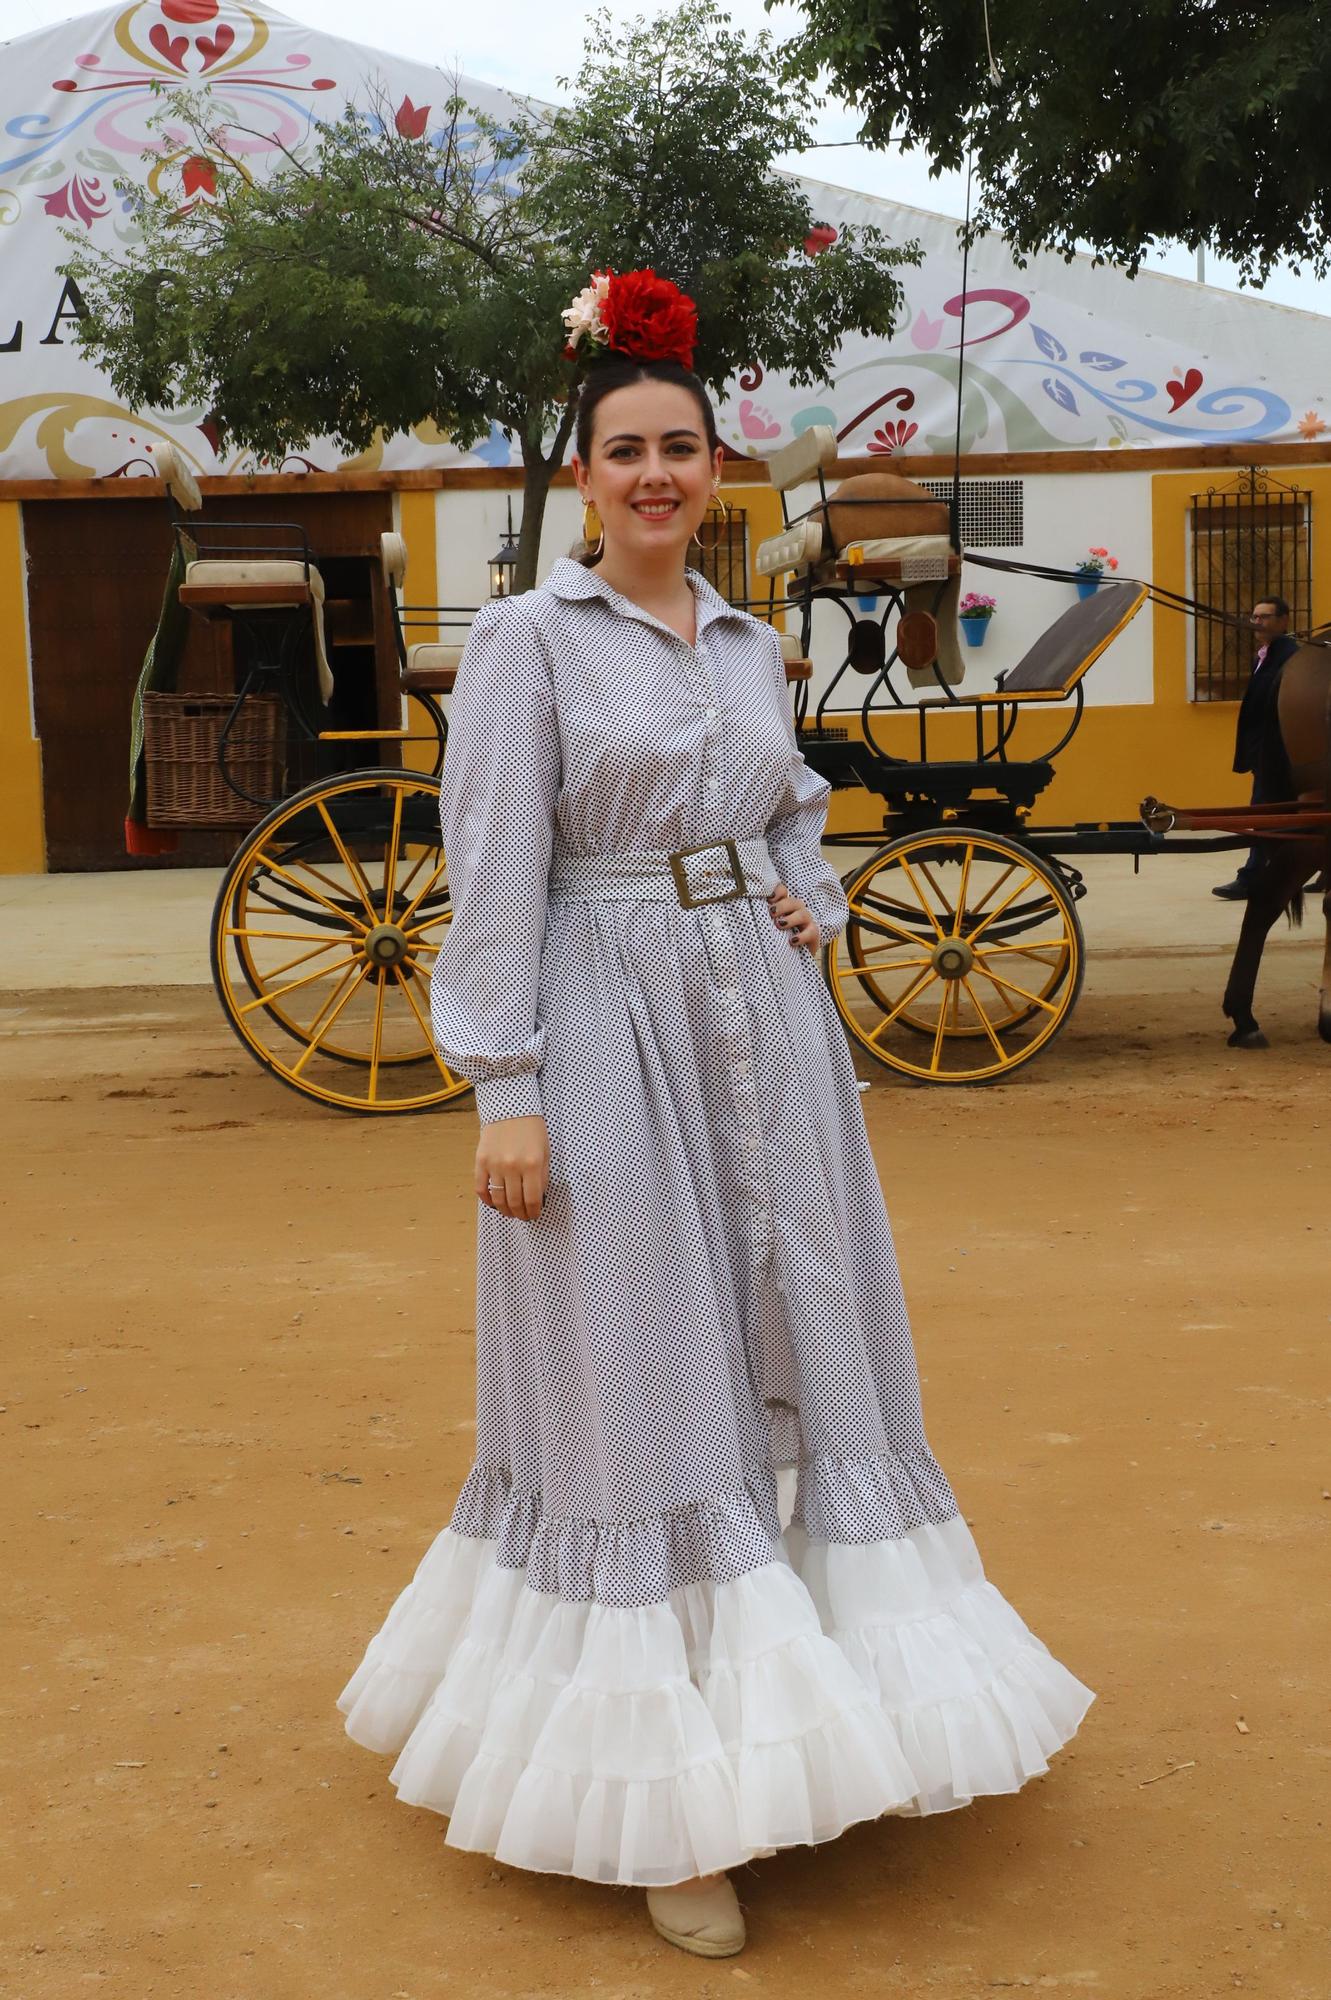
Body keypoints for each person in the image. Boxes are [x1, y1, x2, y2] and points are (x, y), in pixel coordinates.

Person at [337, 270, 1092, 1959]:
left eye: (682, 447)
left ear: (716, 469)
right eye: (625, 452)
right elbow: (500, 870)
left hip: (764, 1030)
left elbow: (783, 798)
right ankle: (665, 1800)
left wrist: (796, 885)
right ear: (585, 477)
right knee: (642, 1370)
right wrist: (508, 1087)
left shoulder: (749, 644)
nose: (657, 474)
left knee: (802, 1338)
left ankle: (827, 1715)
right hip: (603, 1024)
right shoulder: (536, 642)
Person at [1212, 596, 1300, 899]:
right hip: (1264, 752)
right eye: (1254, 617)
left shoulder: (1291, 657)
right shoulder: (1264, 655)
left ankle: (1252, 876)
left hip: (1278, 753)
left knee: (1262, 814)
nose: (1257, 622)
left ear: (1284, 620)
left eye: (1264, 617)